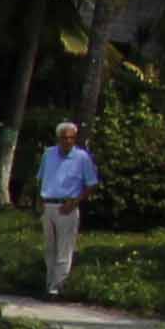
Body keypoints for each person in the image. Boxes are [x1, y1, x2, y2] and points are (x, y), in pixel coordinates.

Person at [36, 115, 98, 297]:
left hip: (67, 206)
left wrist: (76, 201)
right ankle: (49, 284)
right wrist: (39, 201)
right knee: (49, 247)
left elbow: (92, 183)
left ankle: (58, 287)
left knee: (64, 248)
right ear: (58, 138)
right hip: (49, 204)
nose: (68, 141)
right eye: (64, 138)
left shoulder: (81, 157)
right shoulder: (49, 154)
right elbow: (40, 179)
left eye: (71, 138)